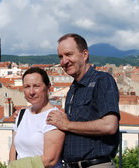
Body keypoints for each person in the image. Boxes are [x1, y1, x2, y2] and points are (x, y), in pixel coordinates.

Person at [47, 33, 120, 168]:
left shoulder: (102, 80)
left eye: (69, 54)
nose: (64, 61)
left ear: (85, 54)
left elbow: (109, 126)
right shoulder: (73, 89)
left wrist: (67, 124)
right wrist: (25, 115)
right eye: (60, 57)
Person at [9, 67, 65, 168]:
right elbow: (14, 148)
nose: (31, 92)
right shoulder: (21, 114)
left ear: (48, 87)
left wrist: (15, 166)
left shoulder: (54, 117)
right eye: (27, 86)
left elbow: (50, 160)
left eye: (36, 86)